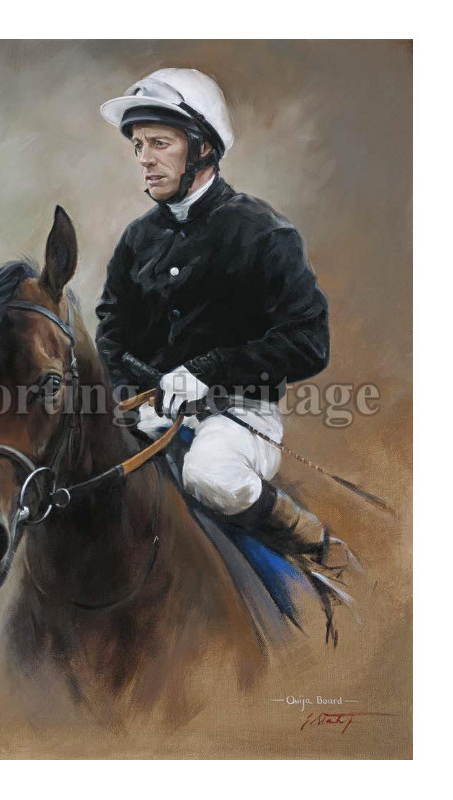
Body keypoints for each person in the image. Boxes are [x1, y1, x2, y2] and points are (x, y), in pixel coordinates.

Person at [95, 68, 349, 567]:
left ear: (203, 147)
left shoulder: (264, 233)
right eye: (139, 145)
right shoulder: (137, 240)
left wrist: (208, 370)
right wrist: (129, 393)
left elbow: (310, 342)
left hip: (239, 417)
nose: (144, 159)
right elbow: (110, 331)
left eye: (159, 143)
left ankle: (312, 542)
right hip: (148, 412)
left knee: (209, 474)